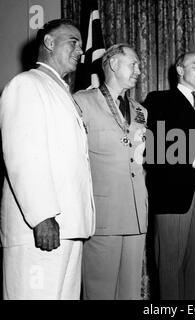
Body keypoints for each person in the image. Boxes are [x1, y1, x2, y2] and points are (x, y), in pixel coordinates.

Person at [0, 19, 95, 299]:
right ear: (50, 43)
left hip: (68, 228)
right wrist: (42, 216)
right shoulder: (27, 84)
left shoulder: (62, 93)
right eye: (73, 42)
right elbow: (24, 156)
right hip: (41, 228)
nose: (81, 50)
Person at [73, 44, 148, 300]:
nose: (139, 70)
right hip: (104, 214)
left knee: (130, 293)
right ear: (114, 64)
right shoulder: (82, 101)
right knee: (100, 291)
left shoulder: (140, 111)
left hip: (137, 213)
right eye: (133, 64)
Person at [143, 52, 195, 299]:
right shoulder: (158, 100)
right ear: (179, 69)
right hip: (170, 194)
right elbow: (152, 146)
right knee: (169, 267)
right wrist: (190, 160)